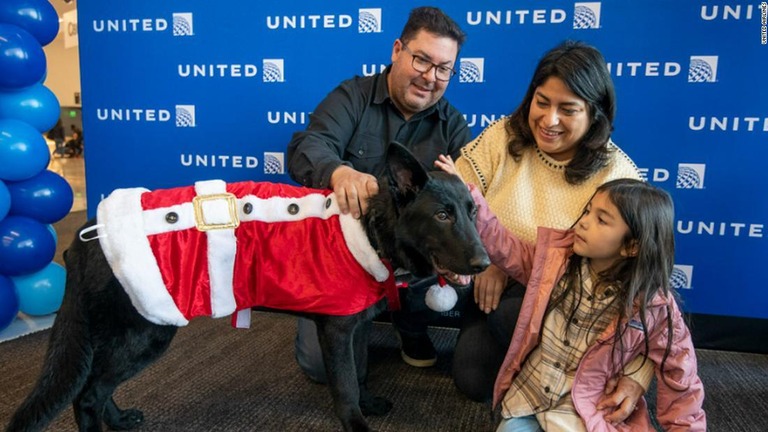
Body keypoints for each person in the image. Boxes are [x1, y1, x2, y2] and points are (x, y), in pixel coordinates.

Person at [450, 40, 650, 418]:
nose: (549, 119)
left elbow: (650, 289)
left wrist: (640, 371)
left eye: (568, 109)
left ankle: (574, 381)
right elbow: (456, 199)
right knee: (472, 379)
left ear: (595, 113)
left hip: (571, 307)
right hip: (491, 287)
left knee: (510, 317)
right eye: (542, 102)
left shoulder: (619, 175)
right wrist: (488, 258)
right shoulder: (501, 136)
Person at [437, 160, 707, 430]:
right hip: (529, 400)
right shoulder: (554, 262)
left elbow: (681, 380)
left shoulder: (655, 307)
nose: (584, 222)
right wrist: (467, 197)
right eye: (588, 211)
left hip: (586, 412)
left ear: (632, 246)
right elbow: (504, 246)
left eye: (601, 220)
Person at [286, 6, 471, 383]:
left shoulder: (453, 125)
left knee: (465, 255)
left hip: (411, 261)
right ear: (397, 50)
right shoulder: (351, 96)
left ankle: (412, 326)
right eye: (422, 60)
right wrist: (338, 172)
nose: (430, 77)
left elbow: (470, 201)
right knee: (320, 368)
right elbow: (309, 144)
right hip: (341, 258)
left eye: (443, 69)